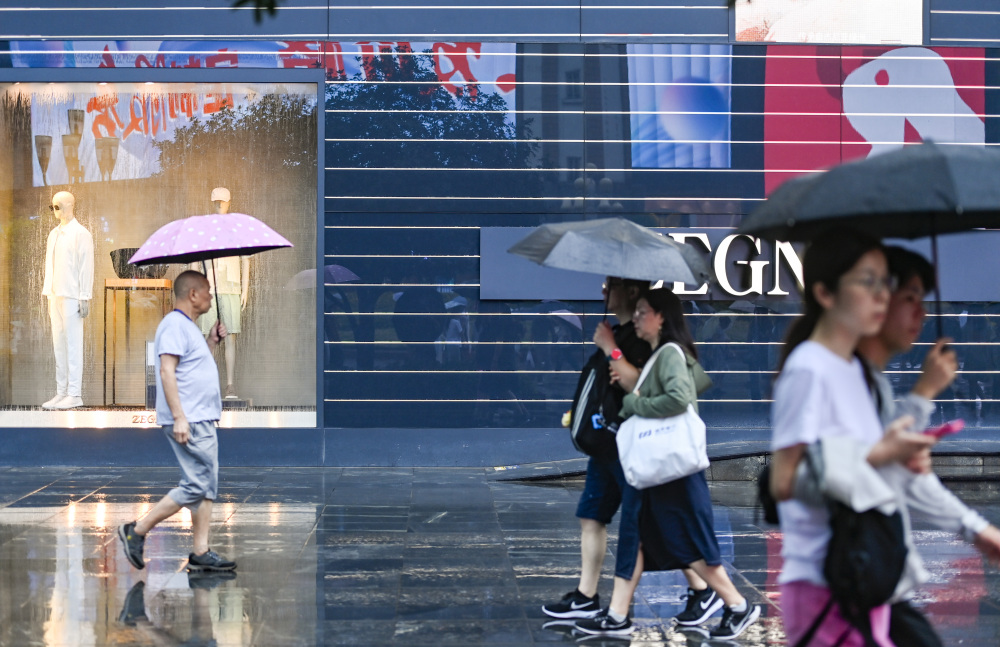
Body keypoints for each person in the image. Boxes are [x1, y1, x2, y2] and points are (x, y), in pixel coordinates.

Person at [769, 231, 938, 646]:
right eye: (868, 282)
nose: (882, 295)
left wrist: (894, 456)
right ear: (825, 293)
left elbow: (858, 465)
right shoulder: (809, 368)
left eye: (885, 282)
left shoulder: (852, 370)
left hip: (864, 574)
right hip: (824, 584)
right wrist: (881, 453)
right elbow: (783, 481)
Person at [575, 287, 761, 639]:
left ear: (662, 317)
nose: (639, 317)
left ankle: (738, 606)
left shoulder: (671, 354)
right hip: (661, 472)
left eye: (645, 311)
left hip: (674, 473)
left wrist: (634, 406)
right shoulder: (661, 354)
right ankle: (617, 615)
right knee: (642, 539)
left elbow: (677, 399)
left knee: (691, 546)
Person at [856, 246, 1000, 647]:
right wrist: (920, 397)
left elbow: (903, 474)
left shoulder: (870, 380)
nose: (921, 313)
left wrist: (977, 531)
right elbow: (798, 477)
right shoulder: (825, 374)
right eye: (910, 298)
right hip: (842, 585)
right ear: (877, 303)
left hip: (878, 576)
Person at [542, 277, 650, 623]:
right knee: (591, 516)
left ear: (632, 291)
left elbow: (639, 384)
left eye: (612, 284)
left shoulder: (640, 336)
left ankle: (708, 592)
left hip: (629, 445)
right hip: (606, 445)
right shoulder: (618, 330)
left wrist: (609, 347)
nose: (604, 291)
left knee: (646, 526)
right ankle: (586, 596)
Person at [117, 270, 237, 573]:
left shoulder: (188, 328)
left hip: (200, 418)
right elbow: (167, 372)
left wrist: (211, 342)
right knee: (198, 485)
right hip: (190, 419)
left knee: (206, 485)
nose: (211, 296)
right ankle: (138, 530)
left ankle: (200, 552)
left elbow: (192, 369)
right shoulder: (173, 325)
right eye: (208, 291)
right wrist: (180, 418)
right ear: (193, 294)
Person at [41, 191, 93, 410]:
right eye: (53, 207)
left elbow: (86, 265)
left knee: (73, 344)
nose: (55, 211)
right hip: (55, 294)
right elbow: (50, 265)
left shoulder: (81, 234)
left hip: (72, 295)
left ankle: (74, 393)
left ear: (70, 206)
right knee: (59, 345)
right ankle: (62, 391)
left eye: (58, 206)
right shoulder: (53, 234)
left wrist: (85, 296)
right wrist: (48, 290)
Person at [196, 187, 249, 399]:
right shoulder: (203, 229)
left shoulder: (238, 228)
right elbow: (195, 260)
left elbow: (246, 259)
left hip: (231, 287)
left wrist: (245, 289)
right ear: (212, 202)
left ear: (229, 202)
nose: (220, 205)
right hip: (209, 288)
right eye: (217, 201)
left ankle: (229, 385)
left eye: (223, 202)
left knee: (230, 337)